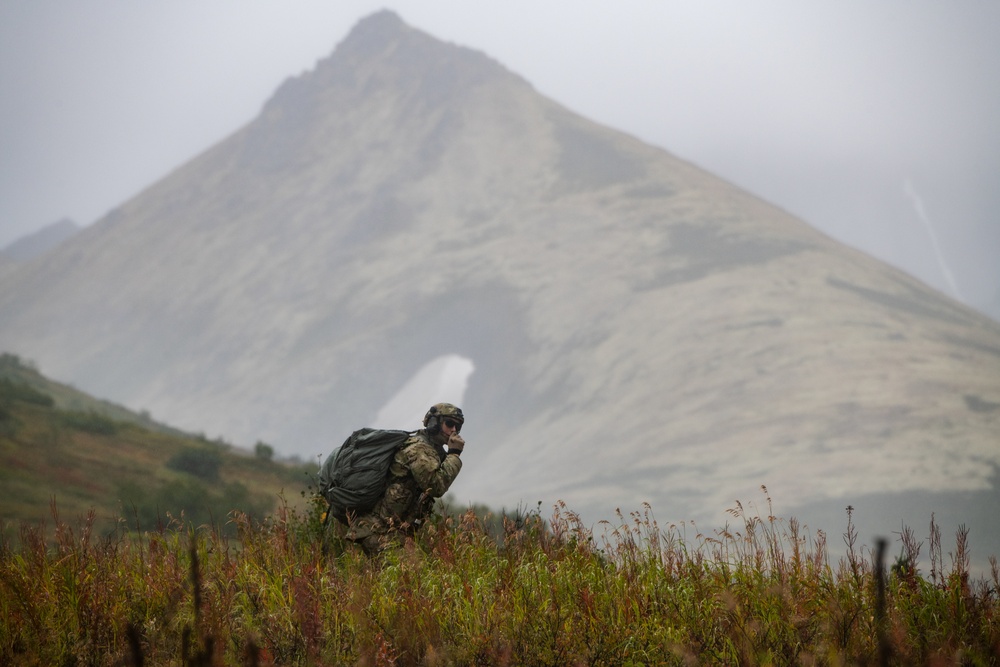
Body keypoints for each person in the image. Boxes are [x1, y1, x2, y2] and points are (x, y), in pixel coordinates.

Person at [345, 403, 466, 555]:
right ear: (434, 423)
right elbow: (435, 486)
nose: (454, 430)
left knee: (420, 575)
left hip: (394, 533)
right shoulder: (419, 449)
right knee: (416, 575)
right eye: (449, 423)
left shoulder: (433, 452)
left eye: (458, 426)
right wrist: (454, 455)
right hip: (379, 530)